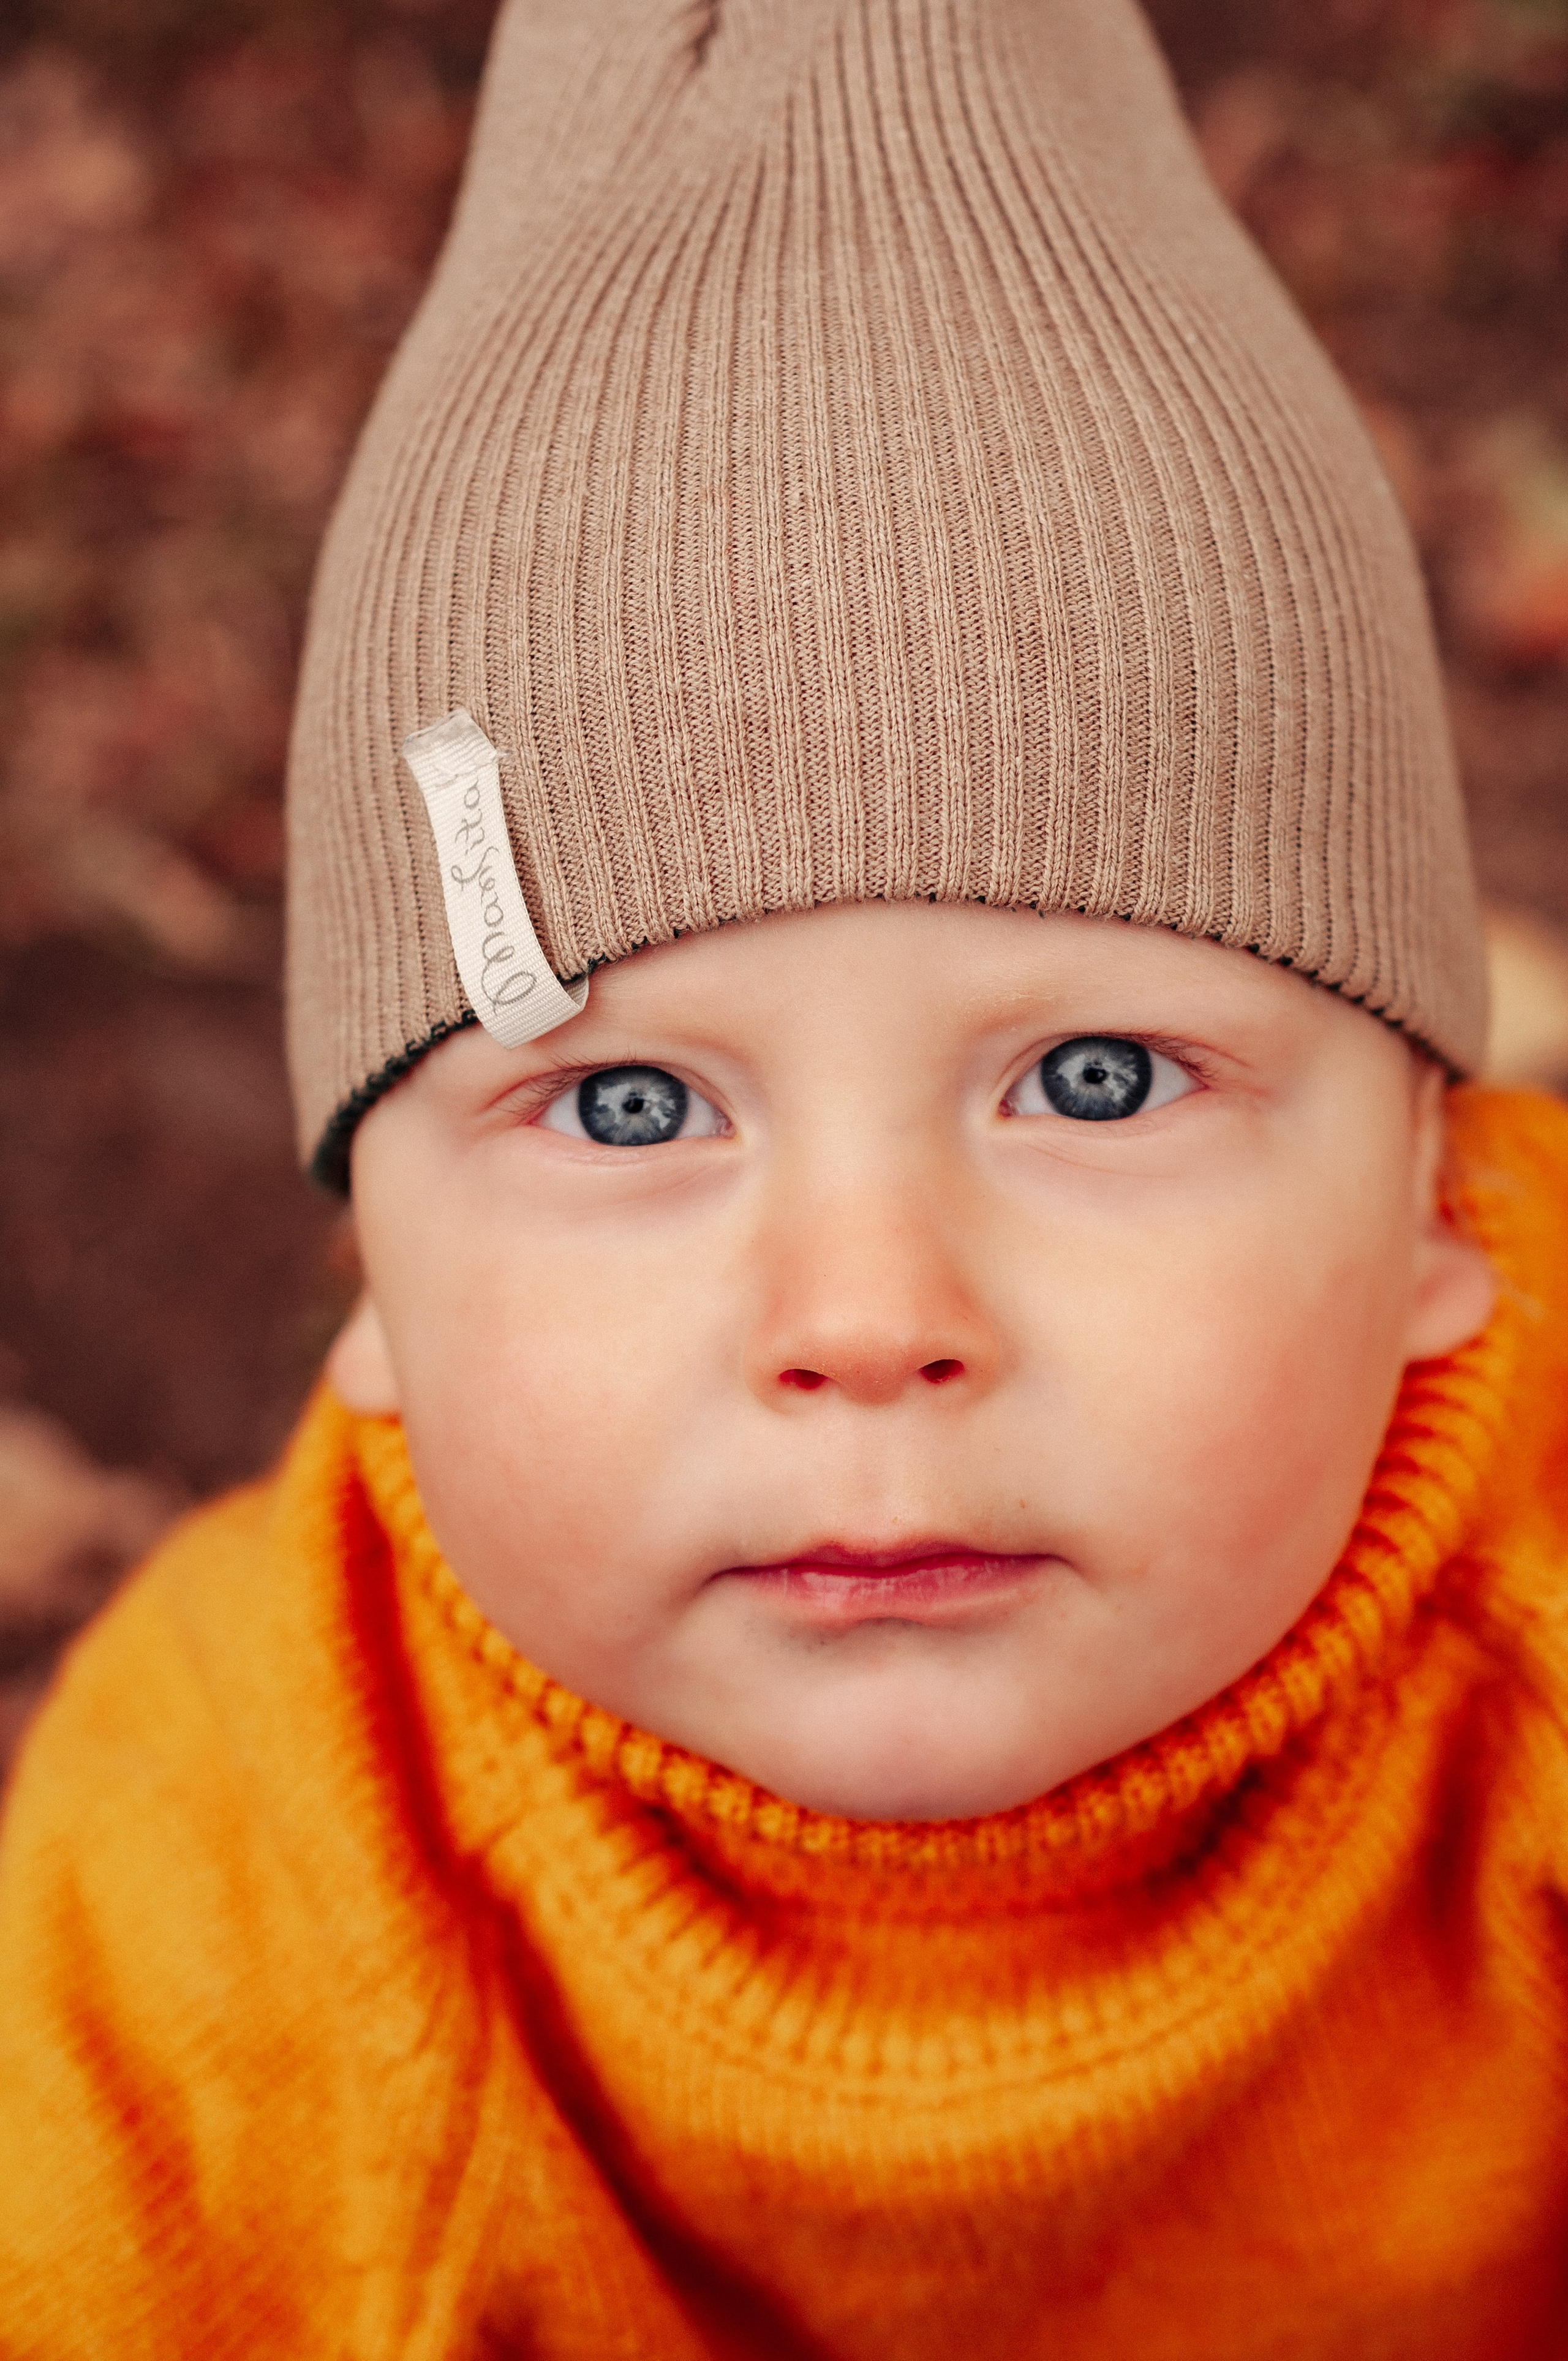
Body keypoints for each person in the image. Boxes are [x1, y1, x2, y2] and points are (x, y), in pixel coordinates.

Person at [3, 0, 1566, 2351]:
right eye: (634, 1108)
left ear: (1437, 1199)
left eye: (1107, 1078)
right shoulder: (204, 1890)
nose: (866, 1312)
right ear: (378, 1304)